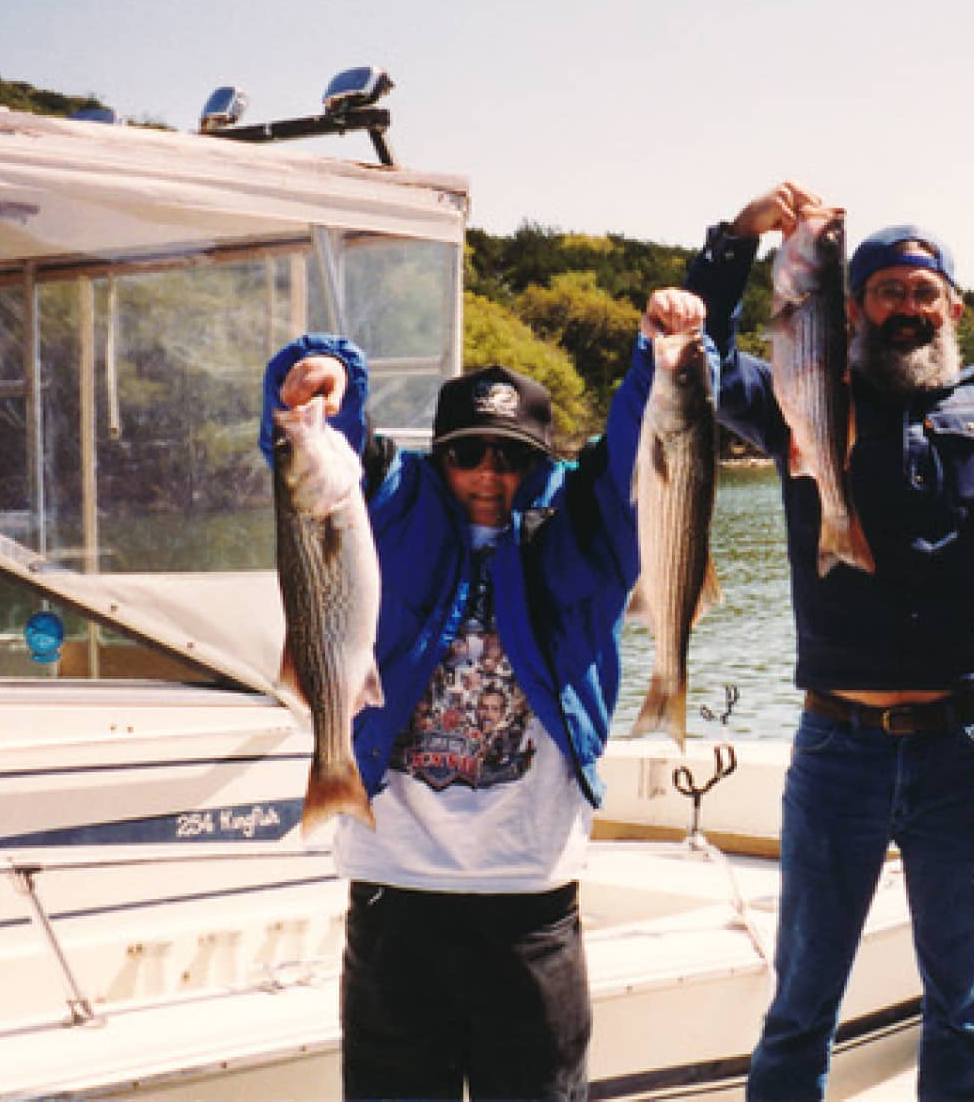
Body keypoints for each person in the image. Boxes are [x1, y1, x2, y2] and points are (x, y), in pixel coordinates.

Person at [684, 181, 974, 1100]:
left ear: (954, 307)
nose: (907, 308)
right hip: (837, 749)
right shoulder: (798, 399)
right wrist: (733, 242)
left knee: (963, 1008)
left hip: (961, 750)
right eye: (887, 292)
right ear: (849, 308)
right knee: (801, 1007)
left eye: (922, 291)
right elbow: (696, 360)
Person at [259, 287, 707, 1102]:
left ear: (540, 462)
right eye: (468, 454)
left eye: (511, 457)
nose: (488, 475)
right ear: (440, 456)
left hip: (531, 902)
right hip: (396, 894)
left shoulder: (584, 528)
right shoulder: (387, 510)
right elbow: (316, 446)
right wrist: (311, 373)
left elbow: (649, 438)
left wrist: (658, 352)